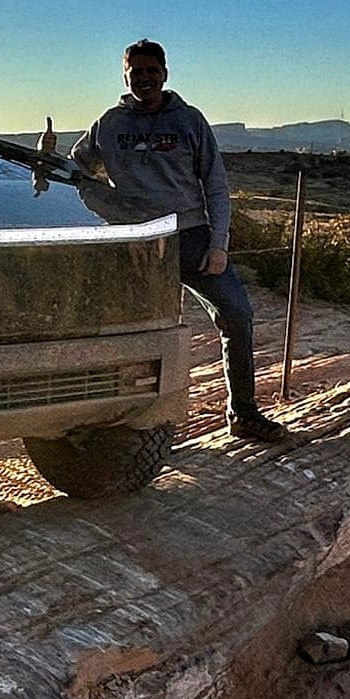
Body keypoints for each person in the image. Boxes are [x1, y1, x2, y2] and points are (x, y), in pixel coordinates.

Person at [52, 39, 286, 443]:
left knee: (237, 314)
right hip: (134, 243)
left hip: (190, 237)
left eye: (151, 71)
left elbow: (215, 184)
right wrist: (100, 201)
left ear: (165, 73)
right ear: (125, 75)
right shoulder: (109, 124)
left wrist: (219, 244)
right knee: (126, 332)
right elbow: (78, 170)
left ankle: (243, 413)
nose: (144, 78)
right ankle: (118, 430)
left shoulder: (190, 121)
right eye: (136, 71)